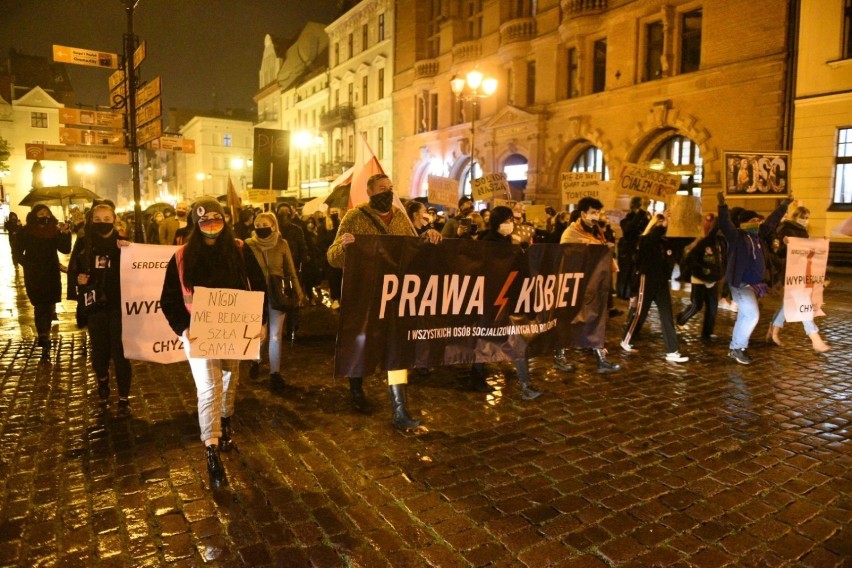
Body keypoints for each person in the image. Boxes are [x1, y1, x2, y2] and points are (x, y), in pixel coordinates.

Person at [159, 196, 267, 489]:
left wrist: (261, 321)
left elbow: (259, 286)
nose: (212, 226)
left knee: (231, 379)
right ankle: (211, 449)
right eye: (205, 221)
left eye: (217, 220)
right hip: (199, 335)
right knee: (209, 388)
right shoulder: (181, 257)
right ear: (196, 224)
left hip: (235, 332)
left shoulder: (240, 250)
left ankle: (226, 420)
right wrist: (183, 329)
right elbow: (168, 300)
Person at [327, 173, 442, 429]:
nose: (388, 192)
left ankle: (400, 410)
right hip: (364, 295)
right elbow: (332, 257)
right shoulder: (354, 218)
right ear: (370, 192)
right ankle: (356, 390)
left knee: (397, 348)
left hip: (395, 296)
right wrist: (344, 247)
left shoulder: (401, 218)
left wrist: (430, 237)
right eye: (382, 188)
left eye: (390, 188)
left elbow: (414, 252)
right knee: (361, 342)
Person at [68, 200, 133, 413]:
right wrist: (80, 281)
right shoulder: (84, 242)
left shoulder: (124, 243)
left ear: (115, 220)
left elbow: (139, 269)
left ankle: (124, 396)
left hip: (119, 305)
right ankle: (103, 380)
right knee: (99, 351)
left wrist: (129, 251)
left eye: (107, 219)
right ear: (91, 221)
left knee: (121, 352)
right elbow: (74, 270)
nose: (102, 222)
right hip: (95, 305)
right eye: (98, 219)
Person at [473, 206, 542, 399]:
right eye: (508, 220)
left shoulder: (512, 244)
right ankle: (477, 375)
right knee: (485, 338)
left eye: (512, 220)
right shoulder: (487, 244)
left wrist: (523, 251)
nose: (511, 224)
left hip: (510, 300)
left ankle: (525, 383)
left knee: (515, 339)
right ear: (498, 223)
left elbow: (521, 272)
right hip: (493, 300)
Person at [717, 192, 792, 365]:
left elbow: (772, 221)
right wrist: (722, 206)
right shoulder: (737, 236)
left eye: (758, 221)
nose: (757, 223)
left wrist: (785, 204)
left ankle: (735, 348)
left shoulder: (759, 236)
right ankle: (737, 348)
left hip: (754, 286)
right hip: (741, 285)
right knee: (752, 315)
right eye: (753, 221)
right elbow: (724, 223)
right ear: (744, 223)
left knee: (745, 316)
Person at [555, 197, 622, 373]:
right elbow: (569, 255)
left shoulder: (597, 232)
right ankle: (559, 357)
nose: (597, 216)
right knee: (567, 320)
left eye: (599, 212)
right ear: (583, 214)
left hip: (593, 284)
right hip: (574, 285)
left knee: (596, 319)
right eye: (593, 213)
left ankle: (601, 359)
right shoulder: (571, 233)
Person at [245, 212, 306, 388]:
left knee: (275, 335)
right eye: (257, 224)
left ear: (273, 225)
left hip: (278, 294)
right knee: (260, 333)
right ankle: (256, 360)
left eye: (265, 224)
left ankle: (275, 373)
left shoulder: (281, 244)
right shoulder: (248, 245)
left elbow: (291, 270)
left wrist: (299, 293)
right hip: (256, 295)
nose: (261, 227)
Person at [621, 212, 689, 363]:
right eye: (660, 223)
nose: (664, 225)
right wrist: (661, 222)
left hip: (662, 280)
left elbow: (685, 240)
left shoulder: (668, 241)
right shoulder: (646, 239)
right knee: (641, 313)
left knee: (667, 315)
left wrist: (686, 222)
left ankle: (672, 351)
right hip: (647, 279)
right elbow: (652, 238)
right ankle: (626, 339)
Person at [766, 205, 830, 352]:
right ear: (796, 217)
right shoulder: (785, 228)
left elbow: (808, 251)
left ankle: (773, 331)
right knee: (803, 304)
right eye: (803, 217)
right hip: (790, 273)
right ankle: (815, 339)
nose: (805, 220)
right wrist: (786, 244)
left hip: (801, 273)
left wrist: (821, 244)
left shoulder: (803, 231)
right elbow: (778, 252)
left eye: (807, 218)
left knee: (788, 304)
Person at [17, 204, 72, 359]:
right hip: (34, 274)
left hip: (51, 273)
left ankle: (45, 335)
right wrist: (28, 264)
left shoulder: (54, 231)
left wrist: (65, 233)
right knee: (40, 305)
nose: (44, 216)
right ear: (34, 215)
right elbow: (17, 252)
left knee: (48, 305)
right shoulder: (26, 231)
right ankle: (43, 336)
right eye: (40, 213)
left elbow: (65, 249)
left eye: (46, 213)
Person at [675, 222, 726, 340]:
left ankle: (707, 333)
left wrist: (720, 273)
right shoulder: (705, 243)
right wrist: (701, 269)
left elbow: (723, 261)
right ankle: (681, 319)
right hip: (699, 278)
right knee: (697, 305)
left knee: (713, 307)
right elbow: (690, 259)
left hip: (713, 279)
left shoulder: (723, 244)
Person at [617, 196, 651, 299]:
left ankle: (637, 293)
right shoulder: (626, 220)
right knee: (627, 273)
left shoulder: (645, 219)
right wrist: (641, 212)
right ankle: (625, 294)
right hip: (628, 251)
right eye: (642, 205)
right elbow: (629, 229)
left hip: (641, 251)